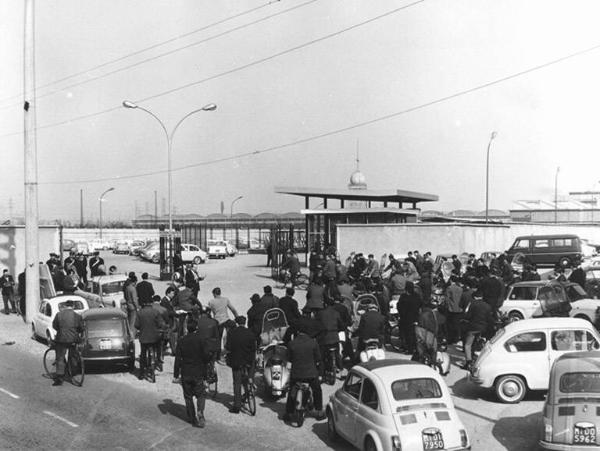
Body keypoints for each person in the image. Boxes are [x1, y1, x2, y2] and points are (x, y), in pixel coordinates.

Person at [284, 321, 324, 422]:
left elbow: (289, 361)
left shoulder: (292, 344)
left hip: (296, 374)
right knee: (317, 390)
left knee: (292, 391)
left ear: (298, 331)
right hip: (311, 374)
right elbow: (318, 360)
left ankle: (289, 413)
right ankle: (319, 411)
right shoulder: (313, 343)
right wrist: (320, 374)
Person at [173, 320, 210, 428]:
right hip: (198, 372)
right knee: (201, 394)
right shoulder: (201, 340)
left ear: (186, 329)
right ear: (197, 328)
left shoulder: (182, 340)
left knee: (188, 396)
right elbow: (207, 355)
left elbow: (178, 359)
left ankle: (192, 417)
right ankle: (200, 412)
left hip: (186, 372)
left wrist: (176, 374)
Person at [225, 316, 257, 414]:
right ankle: (250, 386)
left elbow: (228, 347)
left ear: (237, 323)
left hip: (236, 361)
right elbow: (254, 348)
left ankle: (237, 406)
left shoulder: (232, 333)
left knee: (237, 383)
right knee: (247, 380)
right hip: (248, 361)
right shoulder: (251, 333)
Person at [51, 300, 83, 386]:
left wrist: (61, 330)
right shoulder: (77, 316)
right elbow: (81, 328)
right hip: (73, 340)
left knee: (60, 357)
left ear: (65, 306)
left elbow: (54, 325)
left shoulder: (59, 315)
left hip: (61, 339)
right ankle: (72, 373)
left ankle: (60, 378)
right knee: (73, 356)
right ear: (73, 306)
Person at [461, 295, 494, 371]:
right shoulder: (487, 306)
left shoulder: (472, 304)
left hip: (472, 327)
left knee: (467, 345)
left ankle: (468, 363)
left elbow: (468, 315)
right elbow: (489, 318)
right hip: (482, 328)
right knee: (476, 342)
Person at [135, 298, 167, 376]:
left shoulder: (140, 313)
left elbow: (136, 325)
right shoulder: (155, 312)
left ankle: (142, 373)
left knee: (143, 354)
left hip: (144, 338)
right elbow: (160, 324)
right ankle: (158, 360)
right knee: (157, 347)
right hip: (154, 337)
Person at [208, 287, 239, 362]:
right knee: (231, 336)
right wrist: (237, 318)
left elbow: (208, 312)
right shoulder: (226, 300)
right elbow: (233, 309)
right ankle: (231, 351)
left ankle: (218, 356)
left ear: (214, 294)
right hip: (226, 320)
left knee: (218, 339)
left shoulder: (211, 302)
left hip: (217, 321)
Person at [316, 297, 344, 374]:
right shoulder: (336, 313)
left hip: (324, 338)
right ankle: (341, 368)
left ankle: (321, 372)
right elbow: (341, 325)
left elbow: (317, 325)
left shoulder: (320, 313)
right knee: (337, 354)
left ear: (325, 304)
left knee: (321, 355)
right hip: (335, 337)